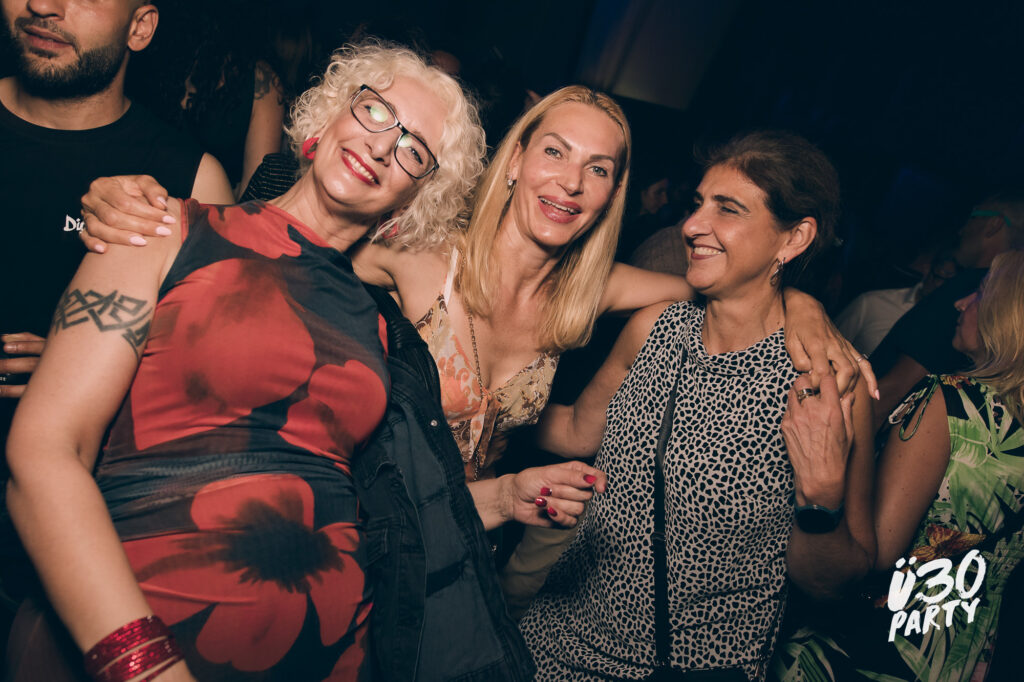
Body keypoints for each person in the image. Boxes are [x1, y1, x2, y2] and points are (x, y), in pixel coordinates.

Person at [4, 43, 597, 681]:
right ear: (328, 115)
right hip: (134, 647)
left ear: (414, 199)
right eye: (375, 111)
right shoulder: (163, 231)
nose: (382, 145)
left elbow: (391, 512)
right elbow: (44, 453)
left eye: (414, 150)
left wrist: (505, 495)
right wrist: (143, 663)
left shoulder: (383, 331)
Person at [521, 131, 877, 680]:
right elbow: (574, 430)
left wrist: (820, 496)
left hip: (696, 667)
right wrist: (476, 406)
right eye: (698, 204)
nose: (691, 225)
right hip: (556, 642)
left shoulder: (828, 382)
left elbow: (833, 583)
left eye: (727, 209)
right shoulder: (653, 329)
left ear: (794, 238)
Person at [775, 249, 1024, 681]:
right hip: (958, 654)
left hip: (874, 646)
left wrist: (829, 469)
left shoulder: (953, 402)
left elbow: (878, 553)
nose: (960, 303)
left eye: (980, 293)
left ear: (1008, 314)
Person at [0, 0, 233, 444]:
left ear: (139, 27)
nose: (41, 5)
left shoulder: (191, 181)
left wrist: (89, 371)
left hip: (94, 474)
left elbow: (215, 382)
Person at [870, 193, 1024, 428]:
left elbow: (890, 392)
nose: (962, 230)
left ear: (994, 224)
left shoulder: (968, 286)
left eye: (973, 217)